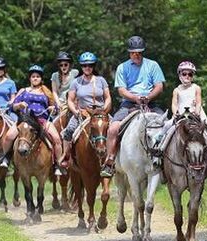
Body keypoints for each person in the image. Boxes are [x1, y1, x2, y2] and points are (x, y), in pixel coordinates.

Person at [100, 36, 166, 177]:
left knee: (166, 126)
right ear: (129, 53)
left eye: (139, 52)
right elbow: (121, 90)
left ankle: (167, 163)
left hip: (150, 101)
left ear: (143, 52)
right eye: (133, 52)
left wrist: (148, 97)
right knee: (113, 128)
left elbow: (159, 86)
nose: (136, 55)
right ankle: (110, 161)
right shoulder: (122, 67)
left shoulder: (152, 65)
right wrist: (135, 98)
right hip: (129, 102)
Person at [0, 65, 64, 175]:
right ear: (30, 78)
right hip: (25, 121)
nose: (35, 78)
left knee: (57, 139)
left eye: (38, 76)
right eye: (33, 76)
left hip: (42, 120)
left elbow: (56, 108)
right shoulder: (23, 91)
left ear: (41, 79)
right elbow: (12, 106)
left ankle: (58, 164)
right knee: (9, 136)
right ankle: (6, 157)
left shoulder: (46, 92)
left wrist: (53, 108)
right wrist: (19, 105)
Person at [59, 52, 112, 165]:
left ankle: (114, 158)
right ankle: (66, 156)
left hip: (100, 113)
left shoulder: (101, 80)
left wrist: (105, 110)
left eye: (90, 65)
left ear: (94, 66)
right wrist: (76, 112)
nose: (87, 68)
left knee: (115, 129)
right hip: (83, 113)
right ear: (81, 66)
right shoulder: (76, 82)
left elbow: (108, 98)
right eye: (84, 65)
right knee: (68, 131)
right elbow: (70, 100)